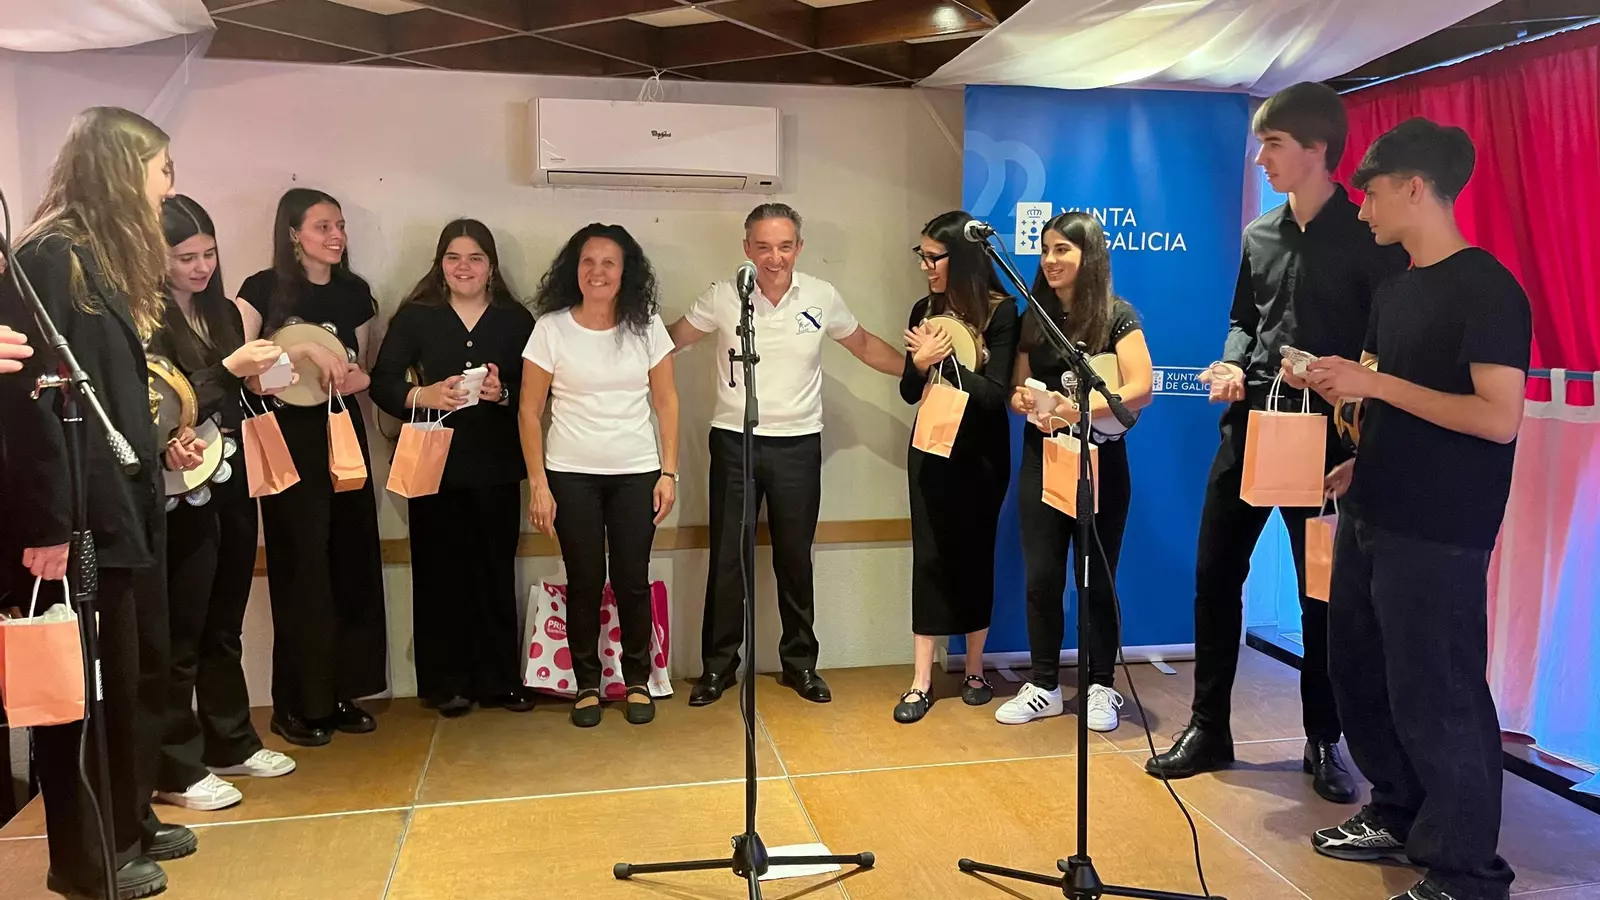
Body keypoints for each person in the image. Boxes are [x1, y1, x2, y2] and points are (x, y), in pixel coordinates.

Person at [1146, 82, 1409, 799]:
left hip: (1326, 440)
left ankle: (1324, 738)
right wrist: (1232, 361)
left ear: (1318, 150)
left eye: (1274, 144)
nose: (1261, 158)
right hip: (1251, 428)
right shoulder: (1259, 233)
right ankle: (1208, 726)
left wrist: (1346, 388)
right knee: (1214, 573)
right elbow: (1244, 319)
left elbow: (1386, 347)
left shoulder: (1368, 238)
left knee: (1319, 591)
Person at [1296, 118, 1527, 900]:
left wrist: (1377, 385)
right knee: (1360, 672)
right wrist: (1359, 441)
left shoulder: (1487, 288)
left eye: (1372, 194)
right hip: (1373, 509)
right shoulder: (1396, 289)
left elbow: (1498, 417)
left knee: (1441, 693)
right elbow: (1393, 401)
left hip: (1442, 527)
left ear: (1416, 188)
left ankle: (1467, 872)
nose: (1362, 209)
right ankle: (1397, 811)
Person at [0, 105, 197, 900]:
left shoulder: (98, 256)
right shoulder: (49, 257)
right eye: (161, 169)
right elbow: (25, 405)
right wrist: (46, 523)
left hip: (123, 506)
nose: (169, 187)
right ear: (123, 168)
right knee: (81, 692)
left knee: (137, 672)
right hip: (74, 515)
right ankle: (83, 858)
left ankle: (128, 819)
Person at [668, 203, 906, 706]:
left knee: (795, 558)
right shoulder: (724, 296)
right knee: (728, 559)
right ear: (746, 248)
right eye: (763, 247)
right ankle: (718, 668)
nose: (774, 258)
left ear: (799, 247)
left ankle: (800, 664)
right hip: (734, 441)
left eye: (784, 247)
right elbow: (671, 340)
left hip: (798, 444)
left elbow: (864, 345)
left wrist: (920, 371)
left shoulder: (821, 296)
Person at [147, 195, 298, 812]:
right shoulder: (144, 320)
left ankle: (230, 739)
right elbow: (161, 406)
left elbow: (233, 393)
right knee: (180, 628)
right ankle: (175, 766)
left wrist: (266, 377)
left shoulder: (225, 313)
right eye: (185, 257)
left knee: (223, 619)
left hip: (233, 472)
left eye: (208, 253)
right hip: (180, 487)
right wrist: (231, 369)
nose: (201, 267)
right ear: (156, 257)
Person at [237, 188, 388, 747]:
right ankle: (297, 704)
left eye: (340, 225)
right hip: (286, 440)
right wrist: (293, 363)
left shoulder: (355, 293)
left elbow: (367, 370)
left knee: (350, 558)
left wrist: (352, 378)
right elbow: (242, 374)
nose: (336, 236)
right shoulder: (261, 289)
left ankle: (343, 692)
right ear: (293, 233)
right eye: (323, 226)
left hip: (342, 433)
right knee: (300, 565)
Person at [371, 219, 537, 718]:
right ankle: (445, 683)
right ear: (440, 265)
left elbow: (536, 391)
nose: (464, 268)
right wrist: (423, 394)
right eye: (454, 258)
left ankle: (499, 680)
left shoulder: (515, 320)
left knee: (494, 570)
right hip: (431, 464)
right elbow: (382, 382)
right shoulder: (417, 317)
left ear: (491, 267)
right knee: (438, 573)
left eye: (475, 258)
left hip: (495, 465)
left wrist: (501, 393)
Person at [995, 212, 1152, 731]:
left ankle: (1101, 685)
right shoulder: (1034, 315)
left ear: (1090, 256)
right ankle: (1043, 685)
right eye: (1046, 249)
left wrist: (1077, 409)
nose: (1050, 259)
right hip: (1042, 460)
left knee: (1096, 579)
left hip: (1099, 462)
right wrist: (1024, 399)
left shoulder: (1116, 315)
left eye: (1063, 249)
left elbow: (1140, 389)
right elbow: (1017, 388)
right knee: (1042, 576)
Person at [519, 223, 679, 727]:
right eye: (588, 262)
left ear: (626, 271)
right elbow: (528, 411)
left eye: (609, 262)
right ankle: (586, 683)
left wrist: (669, 472)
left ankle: (637, 680)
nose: (598, 272)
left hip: (637, 472)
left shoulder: (647, 328)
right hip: (570, 475)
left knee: (632, 580)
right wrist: (539, 485)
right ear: (575, 269)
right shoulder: (550, 329)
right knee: (585, 580)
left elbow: (667, 402)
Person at [892, 210, 1018, 724]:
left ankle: (973, 670)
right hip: (930, 449)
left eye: (933, 257)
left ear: (961, 258)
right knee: (929, 558)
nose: (925, 266)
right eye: (921, 256)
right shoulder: (923, 309)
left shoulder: (1002, 312)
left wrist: (950, 362)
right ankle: (921, 680)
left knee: (975, 556)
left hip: (982, 454)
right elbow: (909, 391)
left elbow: (994, 395)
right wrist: (920, 364)